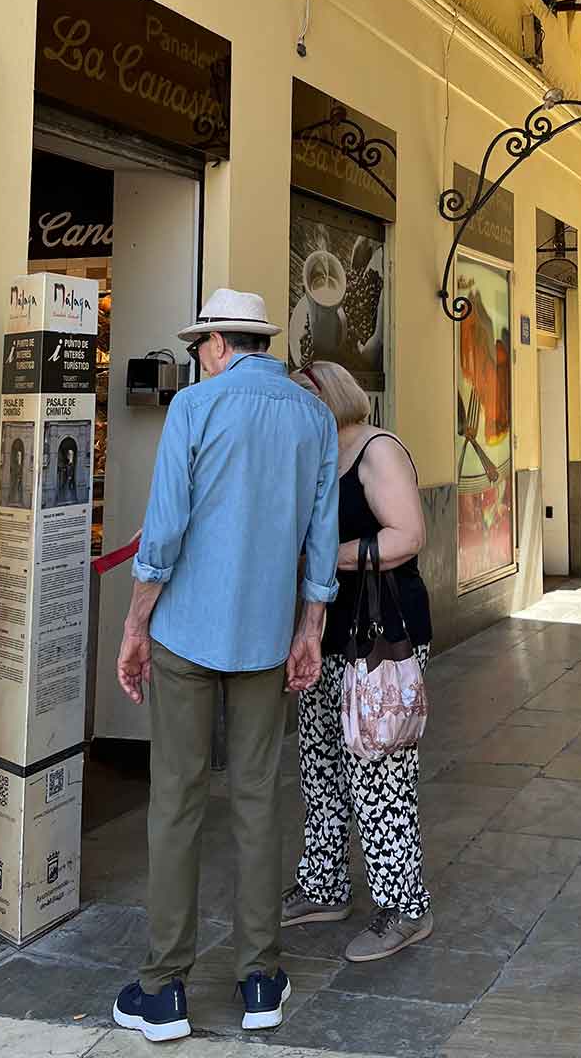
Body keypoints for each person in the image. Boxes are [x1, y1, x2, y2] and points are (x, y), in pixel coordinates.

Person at [111, 289, 339, 1044]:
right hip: (267, 634)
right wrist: (309, 628)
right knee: (257, 799)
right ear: (257, 341)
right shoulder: (312, 415)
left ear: (214, 341)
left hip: (186, 631)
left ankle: (164, 989)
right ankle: (261, 978)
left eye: (197, 345)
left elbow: (167, 529)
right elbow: (320, 534)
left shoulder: (196, 407)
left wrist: (136, 624)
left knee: (174, 802)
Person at [281, 360, 433, 964]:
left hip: (383, 638)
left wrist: (326, 555)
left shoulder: (376, 450)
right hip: (327, 631)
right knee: (319, 761)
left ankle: (404, 907)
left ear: (325, 401)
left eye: (298, 403)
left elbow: (408, 535)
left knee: (380, 774)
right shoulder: (321, 460)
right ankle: (325, 886)